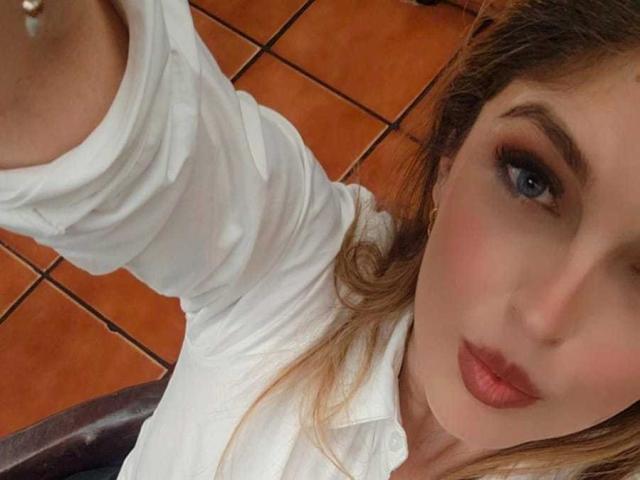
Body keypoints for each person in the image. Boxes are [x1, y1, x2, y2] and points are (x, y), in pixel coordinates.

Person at [2, 0, 640, 479]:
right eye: (531, 180)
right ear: (449, 159)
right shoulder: (297, 260)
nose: (543, 315)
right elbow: (119, 137)